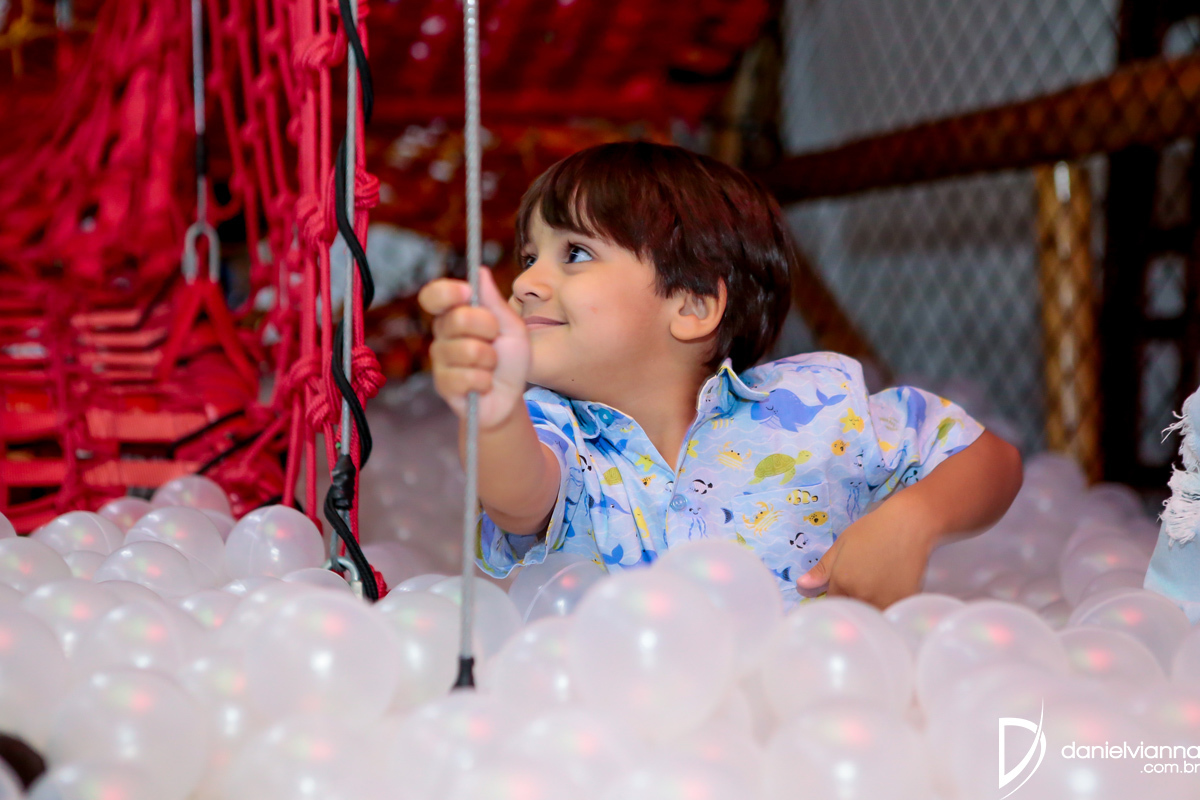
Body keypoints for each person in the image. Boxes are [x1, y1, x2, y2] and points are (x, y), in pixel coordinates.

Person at [417, 141, 1022, 609]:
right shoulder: (557, 435)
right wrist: (493, 409)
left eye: (575, 253)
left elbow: (989, 458)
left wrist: (913, 520)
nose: (525, 282)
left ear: (692, 306)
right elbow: (518, 499)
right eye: (528, 257)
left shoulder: (815, 405)